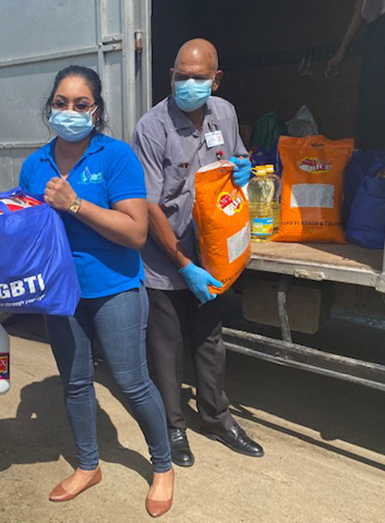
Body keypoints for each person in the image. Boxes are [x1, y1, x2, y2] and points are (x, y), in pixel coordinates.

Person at [18, 65, 175, 518]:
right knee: (75, 382)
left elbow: (135, 233)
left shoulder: (116, 157)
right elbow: (27, 228)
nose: (69, 112)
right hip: (61, 294)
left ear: (96, 109)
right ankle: (89, 466)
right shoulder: (35, 165)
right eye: (61, 103)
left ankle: (162, 466)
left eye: (80, 104)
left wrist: (76, 204)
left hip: (114, 288)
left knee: (131, 379)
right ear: (50, 107)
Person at [131, 39, 264, 468]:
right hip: (165, 256)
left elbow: (237, 161)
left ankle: (217, 418)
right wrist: (182, 264)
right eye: (181, 76)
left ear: (216, 79)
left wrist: (244, 169)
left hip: (209, 254)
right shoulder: (151, 128)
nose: (188, 84)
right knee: (167, 347)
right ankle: (173, 426)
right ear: (170, 76)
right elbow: (149, 206)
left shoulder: (224, 113)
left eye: (198, 77)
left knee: (209, 338)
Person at [326, 0, 385, 158]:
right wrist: (343, 49)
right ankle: (371, 164)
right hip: (376, 29)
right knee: (370, 102)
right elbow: (361, 7)